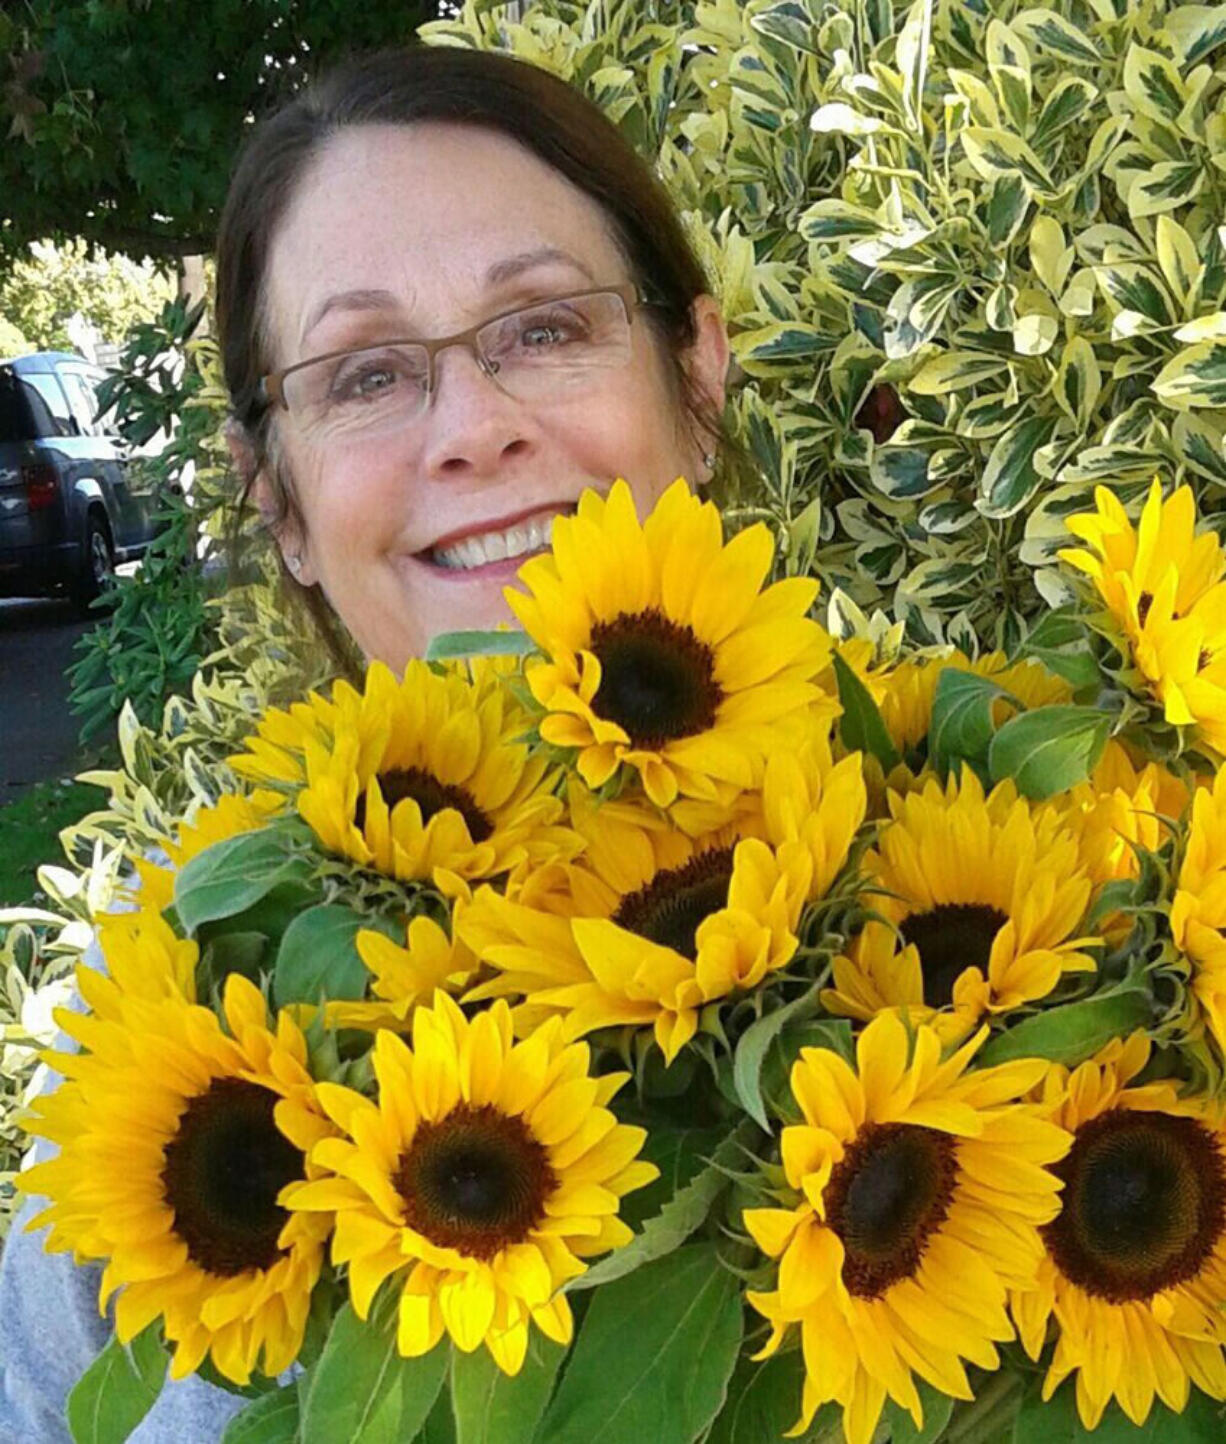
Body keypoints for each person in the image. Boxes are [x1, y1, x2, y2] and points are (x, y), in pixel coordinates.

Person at [0, 43, 735, 1442]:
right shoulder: (166, 1027)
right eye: (365, 374)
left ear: (694, 376)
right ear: (274, 496)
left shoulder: (1044, 901)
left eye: (541, 327)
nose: (473, 429)